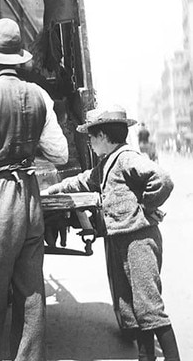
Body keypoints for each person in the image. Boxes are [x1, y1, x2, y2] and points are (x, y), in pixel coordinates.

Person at [0, 18, 68, 361]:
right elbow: (60, 153)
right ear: (19, 59)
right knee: (30, 294)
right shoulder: (40, 96)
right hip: (31, 197)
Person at [44, 105, 180, 361]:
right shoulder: (108, 163)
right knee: (133, 306)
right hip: (121, 239)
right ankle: (146, 357)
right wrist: (55, 189)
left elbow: (163, 179)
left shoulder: (127, 157)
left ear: (104, 136)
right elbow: (84, 180)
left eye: (92, 137)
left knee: (149, 305)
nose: (91, 143)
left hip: (138, 240)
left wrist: (145, 206)